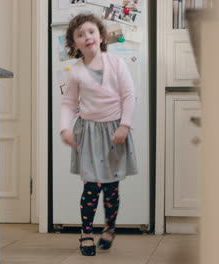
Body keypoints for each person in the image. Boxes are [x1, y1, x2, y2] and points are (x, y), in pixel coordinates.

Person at [60, 13, 138, 257]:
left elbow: (128, 95)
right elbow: (68, 102)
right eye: (80, 35)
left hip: (115, 131)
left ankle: (109, 228)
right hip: (89, 133)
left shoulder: (116, 63)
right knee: (91, 187)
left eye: (91, 32)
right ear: (74, 44)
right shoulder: (76, 71)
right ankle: (86, 234)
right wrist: (65, 127)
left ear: (101, 36)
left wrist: (125, 125)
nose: (87, 37)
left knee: (111, 187)